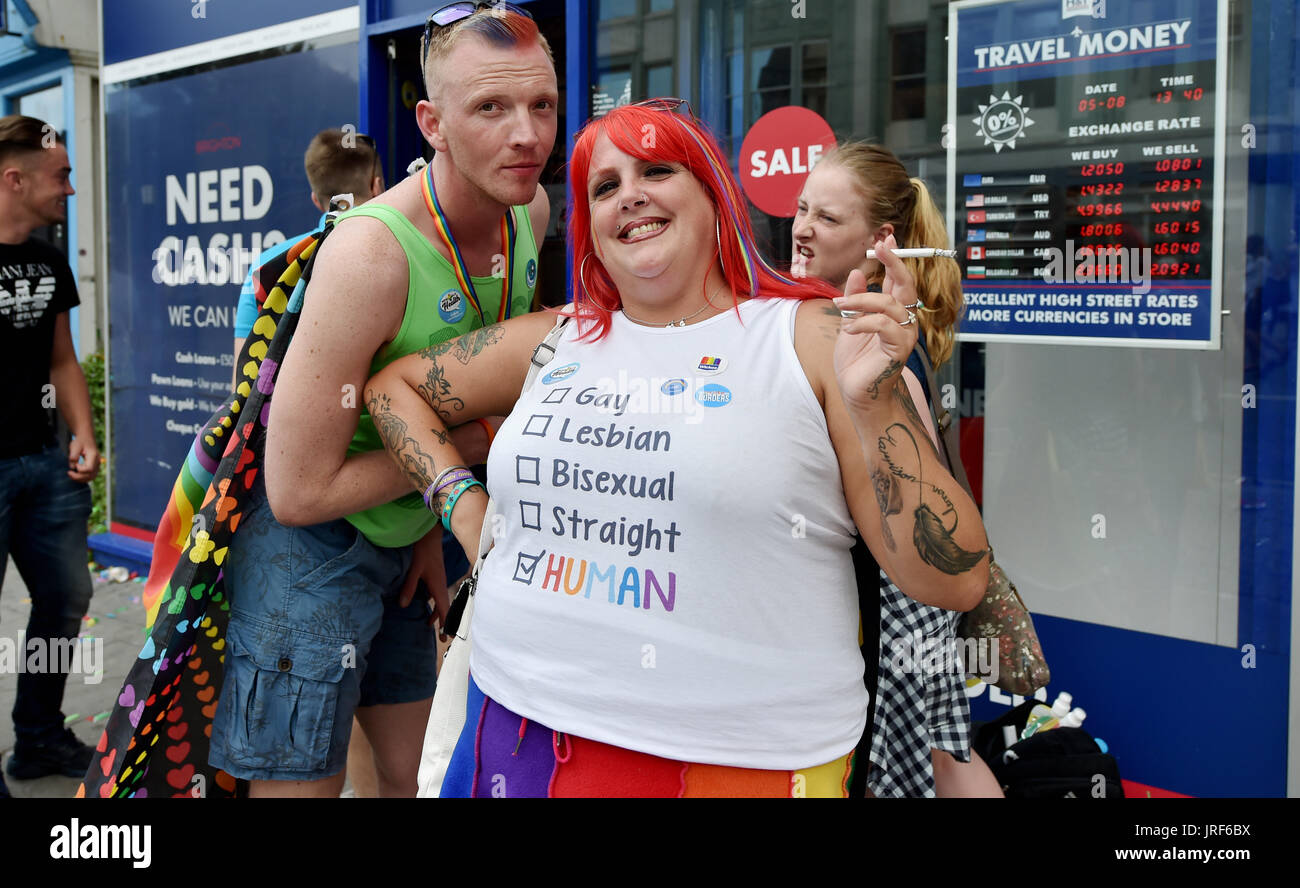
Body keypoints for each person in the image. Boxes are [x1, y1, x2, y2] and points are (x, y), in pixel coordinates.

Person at [364, 100, 990, 797]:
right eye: (604, 186)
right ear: (592, 229)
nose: (629, 193)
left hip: (739, 765)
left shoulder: (809, 336)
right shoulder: (556, 338)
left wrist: (874, 407)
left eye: (657, 169)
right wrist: (463, 506)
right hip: (513, 736)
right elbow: (393, 389)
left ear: (713, 195)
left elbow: (954, 581)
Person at [209, 3, 556, 798]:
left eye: (540, 104)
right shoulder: (371, 252)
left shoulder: (529, 211)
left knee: (422, 777)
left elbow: (455, 389)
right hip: (310, 557)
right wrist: (459, 457)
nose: (526, 135)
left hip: (410, 543)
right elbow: (296, 492)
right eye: (491, 108)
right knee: (306, 790)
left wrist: (433, 527)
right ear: (431, 122)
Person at [792, 141, 1002, 797]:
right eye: (802, 209)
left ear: (879, 239)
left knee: (930, 757)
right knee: (945, 752)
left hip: (896, 603)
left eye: (827, 219)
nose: (801, 228)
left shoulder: (873, 343)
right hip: (900, 600)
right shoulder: (861, 324)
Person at [0, 115, 102, 786]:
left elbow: (62, 357)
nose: (69, 189)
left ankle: (37, 738)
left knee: (64, 598)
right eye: (60, 177)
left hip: (46, 461)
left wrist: (84, 434)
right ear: (15, 179)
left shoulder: (46, 257)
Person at [231, 127, 385, 374]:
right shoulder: (404, 249)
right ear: (376, 186)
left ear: (315, 199)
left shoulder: (265, 266)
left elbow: (244, 382)